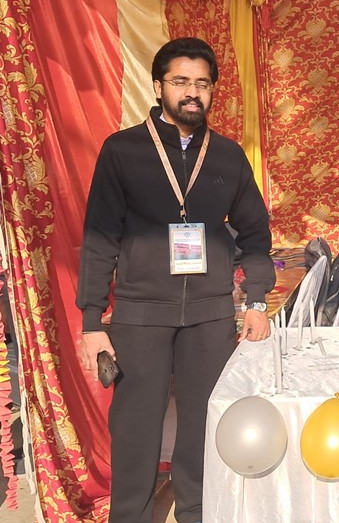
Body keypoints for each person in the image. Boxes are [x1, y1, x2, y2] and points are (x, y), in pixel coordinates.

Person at [76, 37, 276, 523]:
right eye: (181, 81)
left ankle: (198, 513)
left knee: (204, 423)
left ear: (212, 91)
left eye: (202, 84)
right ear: (158, 86)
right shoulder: (122, 150)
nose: (192, 92)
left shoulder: (227, 155)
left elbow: (255, 232)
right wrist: (91, 321)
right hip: (140, 312)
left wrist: (255, 300)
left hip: (209, 313)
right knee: (136, 426)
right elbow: (100, 237)